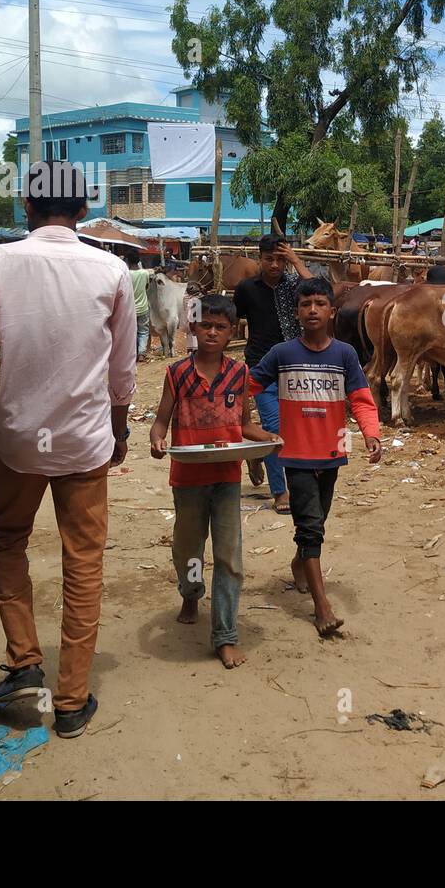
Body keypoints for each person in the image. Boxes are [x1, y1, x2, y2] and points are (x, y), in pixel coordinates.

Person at [0, 161, 137, 739]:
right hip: (85, 439)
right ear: (83, 210)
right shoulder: (111, 269)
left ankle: (25, 661)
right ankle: (71, 700)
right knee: (83, 561)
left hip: (13, 437)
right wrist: (119, 428)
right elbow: (123, 369)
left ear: (27, 208)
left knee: (9, 541)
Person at [149, 294, 279, 668]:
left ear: (232, 332)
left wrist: (266, 439)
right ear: (192, 327)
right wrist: (158, 438)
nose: (212, 332)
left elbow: (243, 424)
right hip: (187, 475)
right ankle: (191, 592)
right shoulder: (176, 373)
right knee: (188, 549)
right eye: (205, 325)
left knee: (229, 555)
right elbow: (162, 418)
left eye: (220, 327)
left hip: (226, 476)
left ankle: (224, 634)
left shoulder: (240, 374)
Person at [248, 277, 381, 636]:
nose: (312, 310)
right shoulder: (282, 353)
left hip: (333, 452)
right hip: (295, 454)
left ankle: (299, 562)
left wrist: (371, 434)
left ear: (331, 311)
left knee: (318, 520)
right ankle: (322, 606)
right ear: (297, 312)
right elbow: (250, 384)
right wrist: (247, 427)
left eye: (319, 304)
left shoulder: (344, 355)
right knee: (309, 524)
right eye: (305, 305)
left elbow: (361, 399)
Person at [232, 235, 312, 513]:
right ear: (260, 259)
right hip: (260, 367)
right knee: (275, 427)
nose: (275, 264)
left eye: (280, 259)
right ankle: (280, 491)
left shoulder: (293, 286)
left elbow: (319, 290)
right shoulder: (246, 289)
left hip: (294, 365)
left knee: (296, 428)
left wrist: (296, 261)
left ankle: (258, 454)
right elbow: (234, 321)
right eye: (269, 259)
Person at [124, 252, 151, 360]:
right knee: (143, 331)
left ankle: (134, 352)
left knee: (132, 331)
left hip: (129, 309)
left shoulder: (126, 273)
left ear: (128, 261)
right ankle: (142, 353)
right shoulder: (145, 273)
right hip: (143, 307)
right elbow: (147, 286)